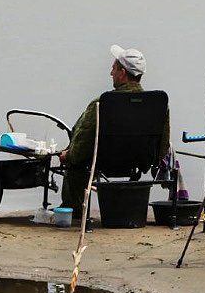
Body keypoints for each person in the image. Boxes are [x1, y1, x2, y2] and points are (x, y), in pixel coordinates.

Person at [56, 44, 170, 217]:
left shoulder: (103, 103)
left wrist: (68, 155)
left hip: (103, 162)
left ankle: (75, 211)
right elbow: (163, 144)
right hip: (139, 161)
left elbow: (82, 143)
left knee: (74, 164)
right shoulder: (157, 105)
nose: (111, 73)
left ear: (122, 72)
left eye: (113, 69)